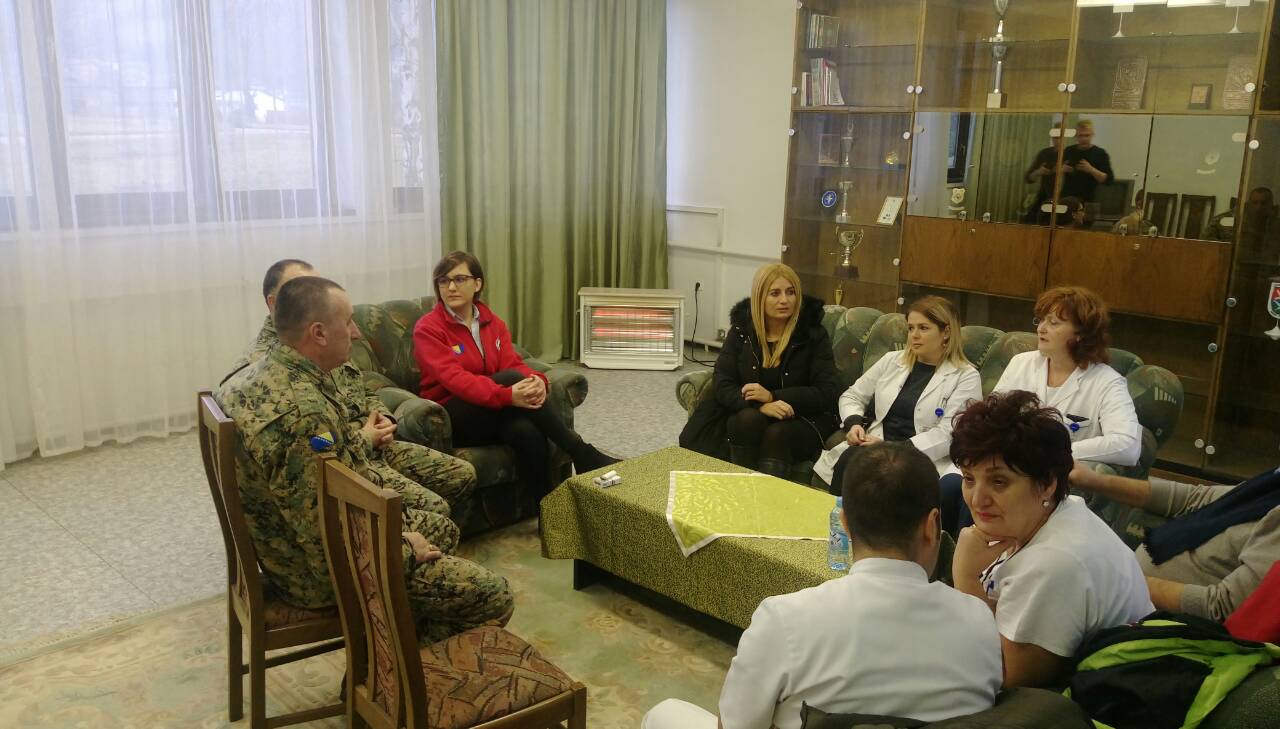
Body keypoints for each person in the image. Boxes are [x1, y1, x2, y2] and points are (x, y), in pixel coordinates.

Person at [216, 276, 512, 643]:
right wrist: (405, 548)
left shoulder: (258, 376)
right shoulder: (303, 415)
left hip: (287, 543)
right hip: (312, 575)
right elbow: (323, 537)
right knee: (494, 595)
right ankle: (395, 666)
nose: (356, 332)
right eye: (348, 322)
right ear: (319, 333)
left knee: (440, 526)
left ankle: (404, 625)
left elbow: (322, 467)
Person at [641, 442, 1002, 729]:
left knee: (663, 712)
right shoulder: (981, 622)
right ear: (932, 524)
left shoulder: (783, 619)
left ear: (843, 522)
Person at [225, 259, 476, 523]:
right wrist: (363, 437)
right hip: (345, 461)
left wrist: (383, 418)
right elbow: (313, 444)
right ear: (274, 302)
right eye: (300, 286)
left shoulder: (326, 344)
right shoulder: (271, 366)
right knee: (437, 513)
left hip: (368, 447)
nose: (313, 292)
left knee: (463, 475)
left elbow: (363, 388)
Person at [950, 391, 1152, 689]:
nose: (977, 499)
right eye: (969, 478)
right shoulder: (1058, 512)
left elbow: (1008, 682)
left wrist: (967, 580)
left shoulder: (1053, 563)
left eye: (999, 481)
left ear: (1046, 484)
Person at [412, 251, 616, 498]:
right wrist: (507, 396)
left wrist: (538, 380)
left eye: (459, 279)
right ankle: (582, 452)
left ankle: (547, 508)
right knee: (510, 379)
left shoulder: (493, 323)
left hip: (490, 410)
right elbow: (456, 379)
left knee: (524, 430)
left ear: (477, 283)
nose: (451, 287)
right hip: (451, 416)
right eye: (443, 281)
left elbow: (513, 363)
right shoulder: (428, 328)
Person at [940, 286, 1141, 534]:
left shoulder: (1106, 381)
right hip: (996, 462)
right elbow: (992, 417)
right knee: (948, 488)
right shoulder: (1021, 363)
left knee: (985, 501)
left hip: (1034, 476)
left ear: (1081, 334)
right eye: (1041, 320)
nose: (1041, 328)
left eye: (1054, 323)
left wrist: (1053, 451)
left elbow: (1128, 445)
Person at [679, 263, 841, 478]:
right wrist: (760, 405)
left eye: (790, 292)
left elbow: (827, 391)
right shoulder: (742, 331)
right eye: (775, 293)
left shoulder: (813, 334)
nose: (784, 300)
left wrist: (773, 396)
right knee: (746, 419)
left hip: (802, 415)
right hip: (751, 411)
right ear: (760, 298)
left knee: (777, 433)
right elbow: (722, 381)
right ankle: (740, 485)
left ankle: (767, 493)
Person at [1069, 464, 1280, 622]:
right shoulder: (1272, 484)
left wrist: (1120, 581)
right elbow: (1195, 498)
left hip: (1162, 625)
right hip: (1133, 588)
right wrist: (1094, 480)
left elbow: (1222, 608)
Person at [813, 295, 981, 492]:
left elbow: (950, 434)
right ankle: (839, 511)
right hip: (874, 444)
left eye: (923, 328)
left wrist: (893, 448)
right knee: (852, 459)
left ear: (946, 332)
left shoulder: (965, 376)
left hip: (920, 457)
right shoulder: (892, 360)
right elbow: (853, 395)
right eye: (910, 328)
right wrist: (854, 423)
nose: (914, 335)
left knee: (859, 461)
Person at [1060, 120, 1113, 204]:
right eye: (1081, 135)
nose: (1084, 139)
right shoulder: (1068, 151)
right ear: (1076, 136)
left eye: (1087, 135)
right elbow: (1054, 172)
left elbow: (1108, 180)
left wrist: (1091, 169)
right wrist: (1061, 169)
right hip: (1066, 198)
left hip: (1089, 200)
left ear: (1092, 135)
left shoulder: (1100, 153)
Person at [1022, 129, 1063, 224]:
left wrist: (1063, 170)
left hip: (1064, 198)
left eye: (1060, 137)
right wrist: (1038, 172)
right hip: (1044, 196)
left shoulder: (1069, 153)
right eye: (1055, 137)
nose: (1058, 140)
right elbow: (1028, 178)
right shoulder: (1045, 153)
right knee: (1028, 221)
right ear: (1052, 138)